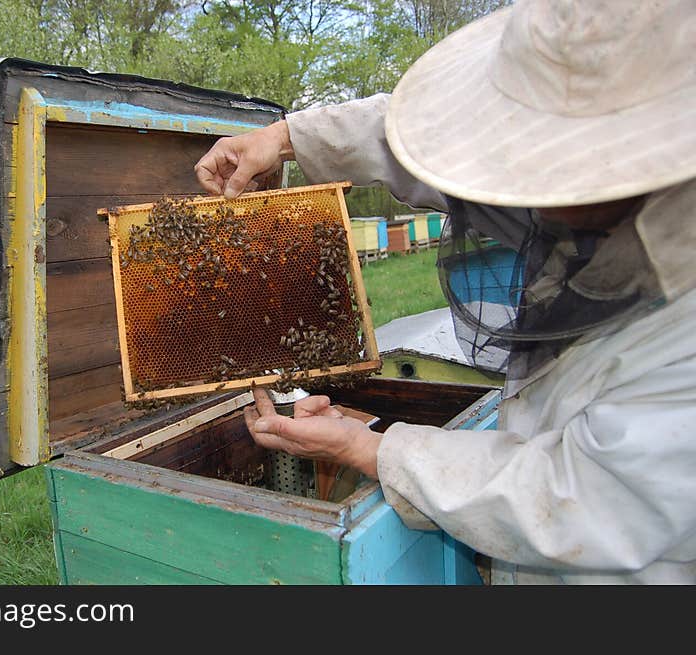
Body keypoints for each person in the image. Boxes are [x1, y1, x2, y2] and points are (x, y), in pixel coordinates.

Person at [193, 0, 696, 584]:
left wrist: (370, 449)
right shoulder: (595, 196)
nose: (519, 178)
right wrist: (287, 138)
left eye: (551, 159)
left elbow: (586, 498)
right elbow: (431, 134)